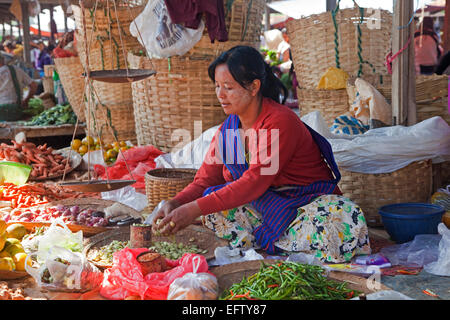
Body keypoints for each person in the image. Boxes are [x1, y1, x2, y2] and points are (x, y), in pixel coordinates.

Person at [152, 46, 370, 262]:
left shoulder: (278, 122)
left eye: (228, 87)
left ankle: (272, 244)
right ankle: (279, 244)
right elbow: (206, 180)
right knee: (211, 204)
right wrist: (177, 203)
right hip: (266, 206)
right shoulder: (230, 129)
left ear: (254, 86)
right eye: (217, 86)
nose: (220, 95)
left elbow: (253, 182)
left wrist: (192, 210)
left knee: (340, 219)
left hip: (304, 204)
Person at [0, 54, 38, 121]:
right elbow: (34, 85)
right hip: (17, 109)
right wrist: (26, 100)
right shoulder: (16, 69)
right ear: (3, 60)